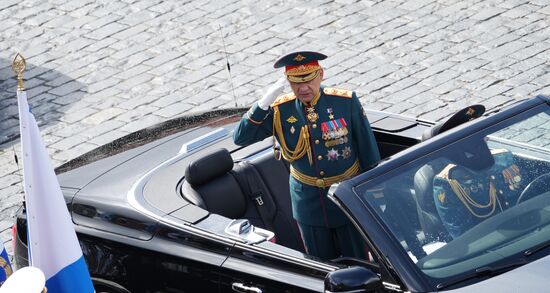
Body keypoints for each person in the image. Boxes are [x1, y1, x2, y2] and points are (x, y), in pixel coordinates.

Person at [233, 51, 381, 260]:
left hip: (345, 196)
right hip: (308, 201)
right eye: (295, 83)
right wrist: (262, 105)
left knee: (359, 261)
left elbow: (368, 150)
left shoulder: (344, 102)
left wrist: (374, 194)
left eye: (309, 80)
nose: (303, 88)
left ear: (321, 74)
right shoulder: (280, 110)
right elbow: (240, 138)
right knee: (318, 264)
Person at [433, 142, 523, 239]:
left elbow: (532, 191)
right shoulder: (448, 181)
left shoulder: (504, 159)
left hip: (529, 223)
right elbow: (463, 235)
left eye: (476, 140)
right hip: (493, 240)